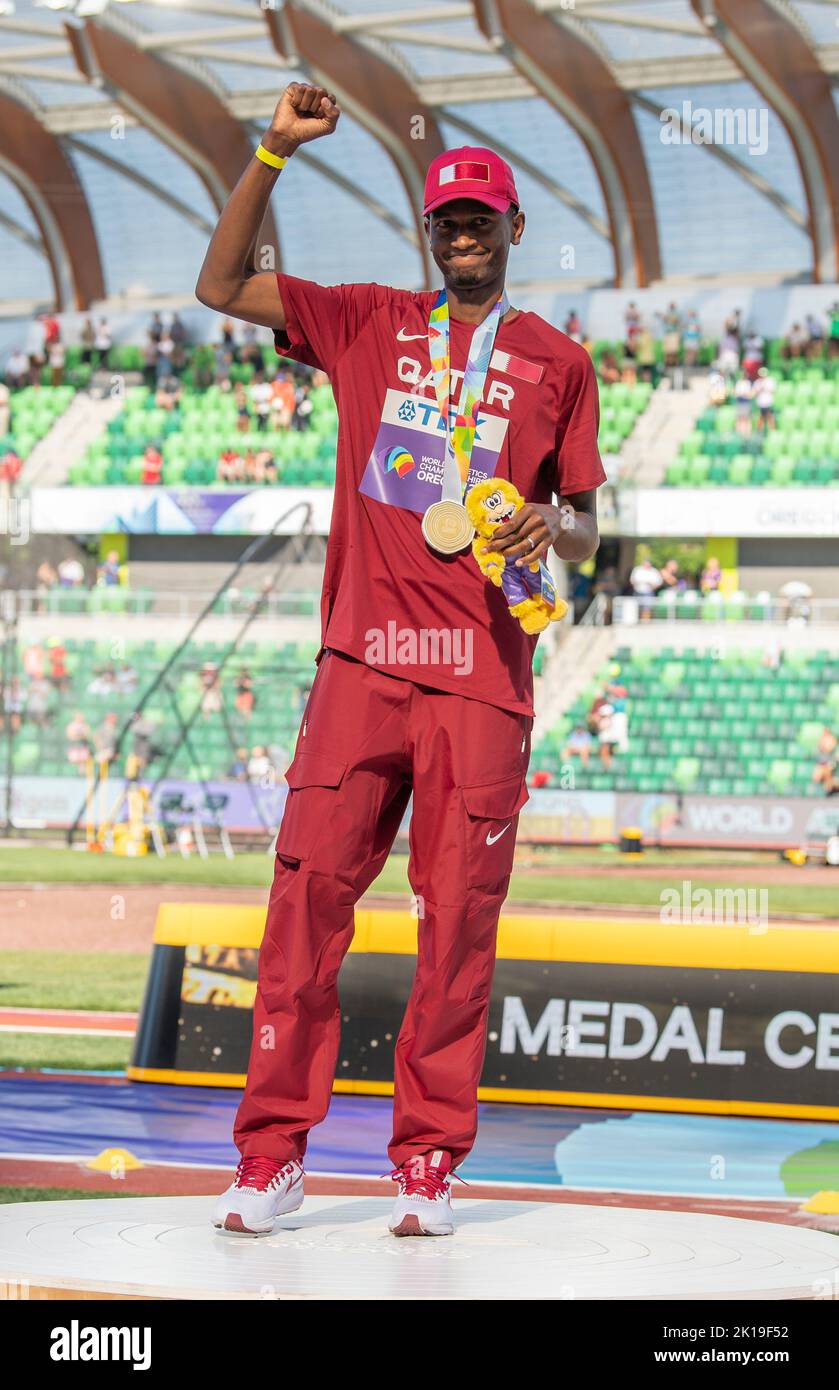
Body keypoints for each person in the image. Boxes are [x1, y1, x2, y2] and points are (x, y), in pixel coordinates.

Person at [196, 84, 604, 1239]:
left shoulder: (557, 362)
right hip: (360, 666)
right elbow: (217, 284)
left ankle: (425, 1161)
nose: (462, 236)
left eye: (480, 221)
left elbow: (581, 526)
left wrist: (545, 525)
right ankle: (271, 1156)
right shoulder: (367, 321)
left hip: (481, 677)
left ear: (513, 231)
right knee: (302, 911)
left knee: (457, 924)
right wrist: (274, 149)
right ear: (427, 233)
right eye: (445, 222)